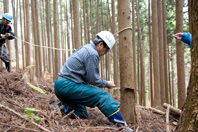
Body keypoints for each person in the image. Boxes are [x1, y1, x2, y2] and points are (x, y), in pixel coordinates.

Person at [53, 31, 133, 131]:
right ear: (100, 44)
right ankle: (122, 126)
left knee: (81, 113)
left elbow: (86, 78)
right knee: (103, 96)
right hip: (67, 85)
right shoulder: (92, 54)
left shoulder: (86, 48)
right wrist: (106, 83)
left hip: (62, 86)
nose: (104, 53)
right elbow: (93, 79)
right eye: (106, 50)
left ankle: (61, 106)